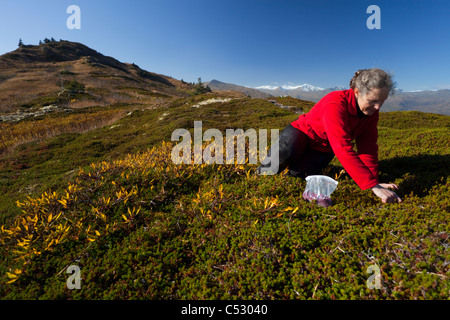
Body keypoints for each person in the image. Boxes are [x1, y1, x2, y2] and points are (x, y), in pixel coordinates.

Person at [258, 68, 402, 204]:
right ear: (357, 92)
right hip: (300, 134)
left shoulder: (371, 112)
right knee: (274, 165)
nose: (378, 107)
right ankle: (256, 182)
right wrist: (373, 186)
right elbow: (341, 147)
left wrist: (374, 182)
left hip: (323, 148)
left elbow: (368, 147)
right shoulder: (335, 102)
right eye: (373, 101)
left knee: (299, 175)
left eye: (382, 101)